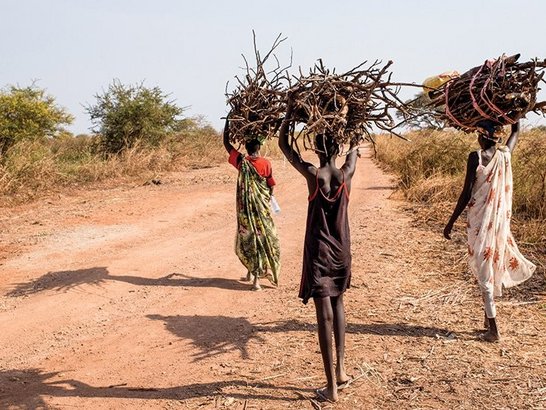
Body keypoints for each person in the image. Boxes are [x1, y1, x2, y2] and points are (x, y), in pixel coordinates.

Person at [278, 99, 358, 402]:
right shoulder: (346, 174)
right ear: (336, 147)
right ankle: (341, 370)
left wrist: (288, 115)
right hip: (342, 252)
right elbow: (354, 150)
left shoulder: (314, 175)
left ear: (316, 147)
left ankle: (331, 388)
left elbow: (286, 147)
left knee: (323, 315)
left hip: (319, 253)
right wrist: (352, 127)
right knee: (338, 306)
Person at [444, 120, 535, 342]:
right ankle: (487, 317)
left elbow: (466, 194)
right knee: (490, 261)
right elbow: (516, 131)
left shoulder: (476, 157)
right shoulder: (505, 155)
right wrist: (515, 113)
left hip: (481, 220)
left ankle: (493, 328)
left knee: (484, 268)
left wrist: (450, 222)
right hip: (497, 222)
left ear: (483, 136)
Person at [223, 118, 280, 291]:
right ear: (259, 147)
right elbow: (271, 185)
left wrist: (227, 123)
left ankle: (254, 278)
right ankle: (253, 276)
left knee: (249, 239)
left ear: (246, 148)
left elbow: (227, 144)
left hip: (246, 211)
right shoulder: (266, 163)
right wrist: (266, 199)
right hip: (262, 210)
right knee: (262, 238)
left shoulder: (242, 162)